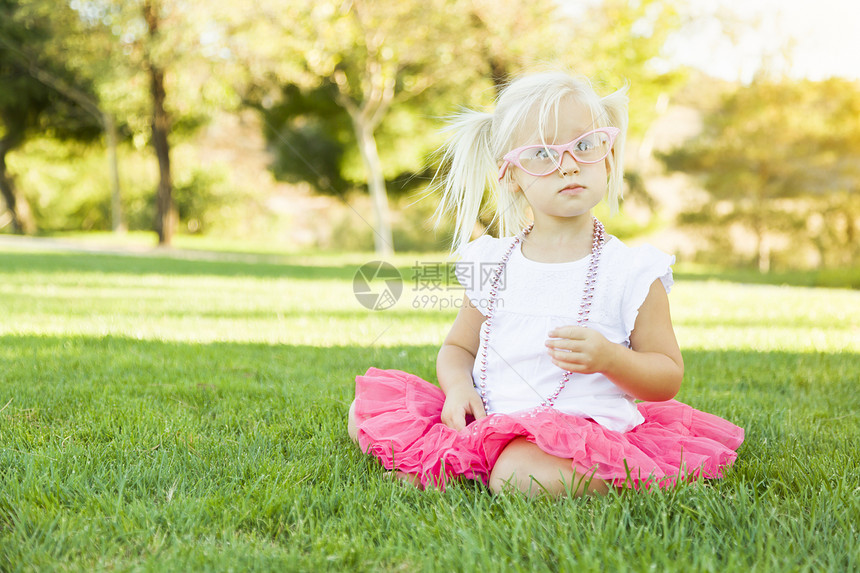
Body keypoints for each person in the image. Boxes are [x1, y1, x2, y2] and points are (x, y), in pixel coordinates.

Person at [347, 71, 744, 497]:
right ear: (512, 175)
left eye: (585, 145)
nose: (569, 164)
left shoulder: (630, 272)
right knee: (364, 409)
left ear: (608, 159)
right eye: (541, 153)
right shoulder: (493, 260)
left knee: (518, 474)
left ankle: (501, 471)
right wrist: (459, 388)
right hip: (491, 417)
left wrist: (610, 358)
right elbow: (458, 348)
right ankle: (475, 460)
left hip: (581, 432)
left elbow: (666, 377)